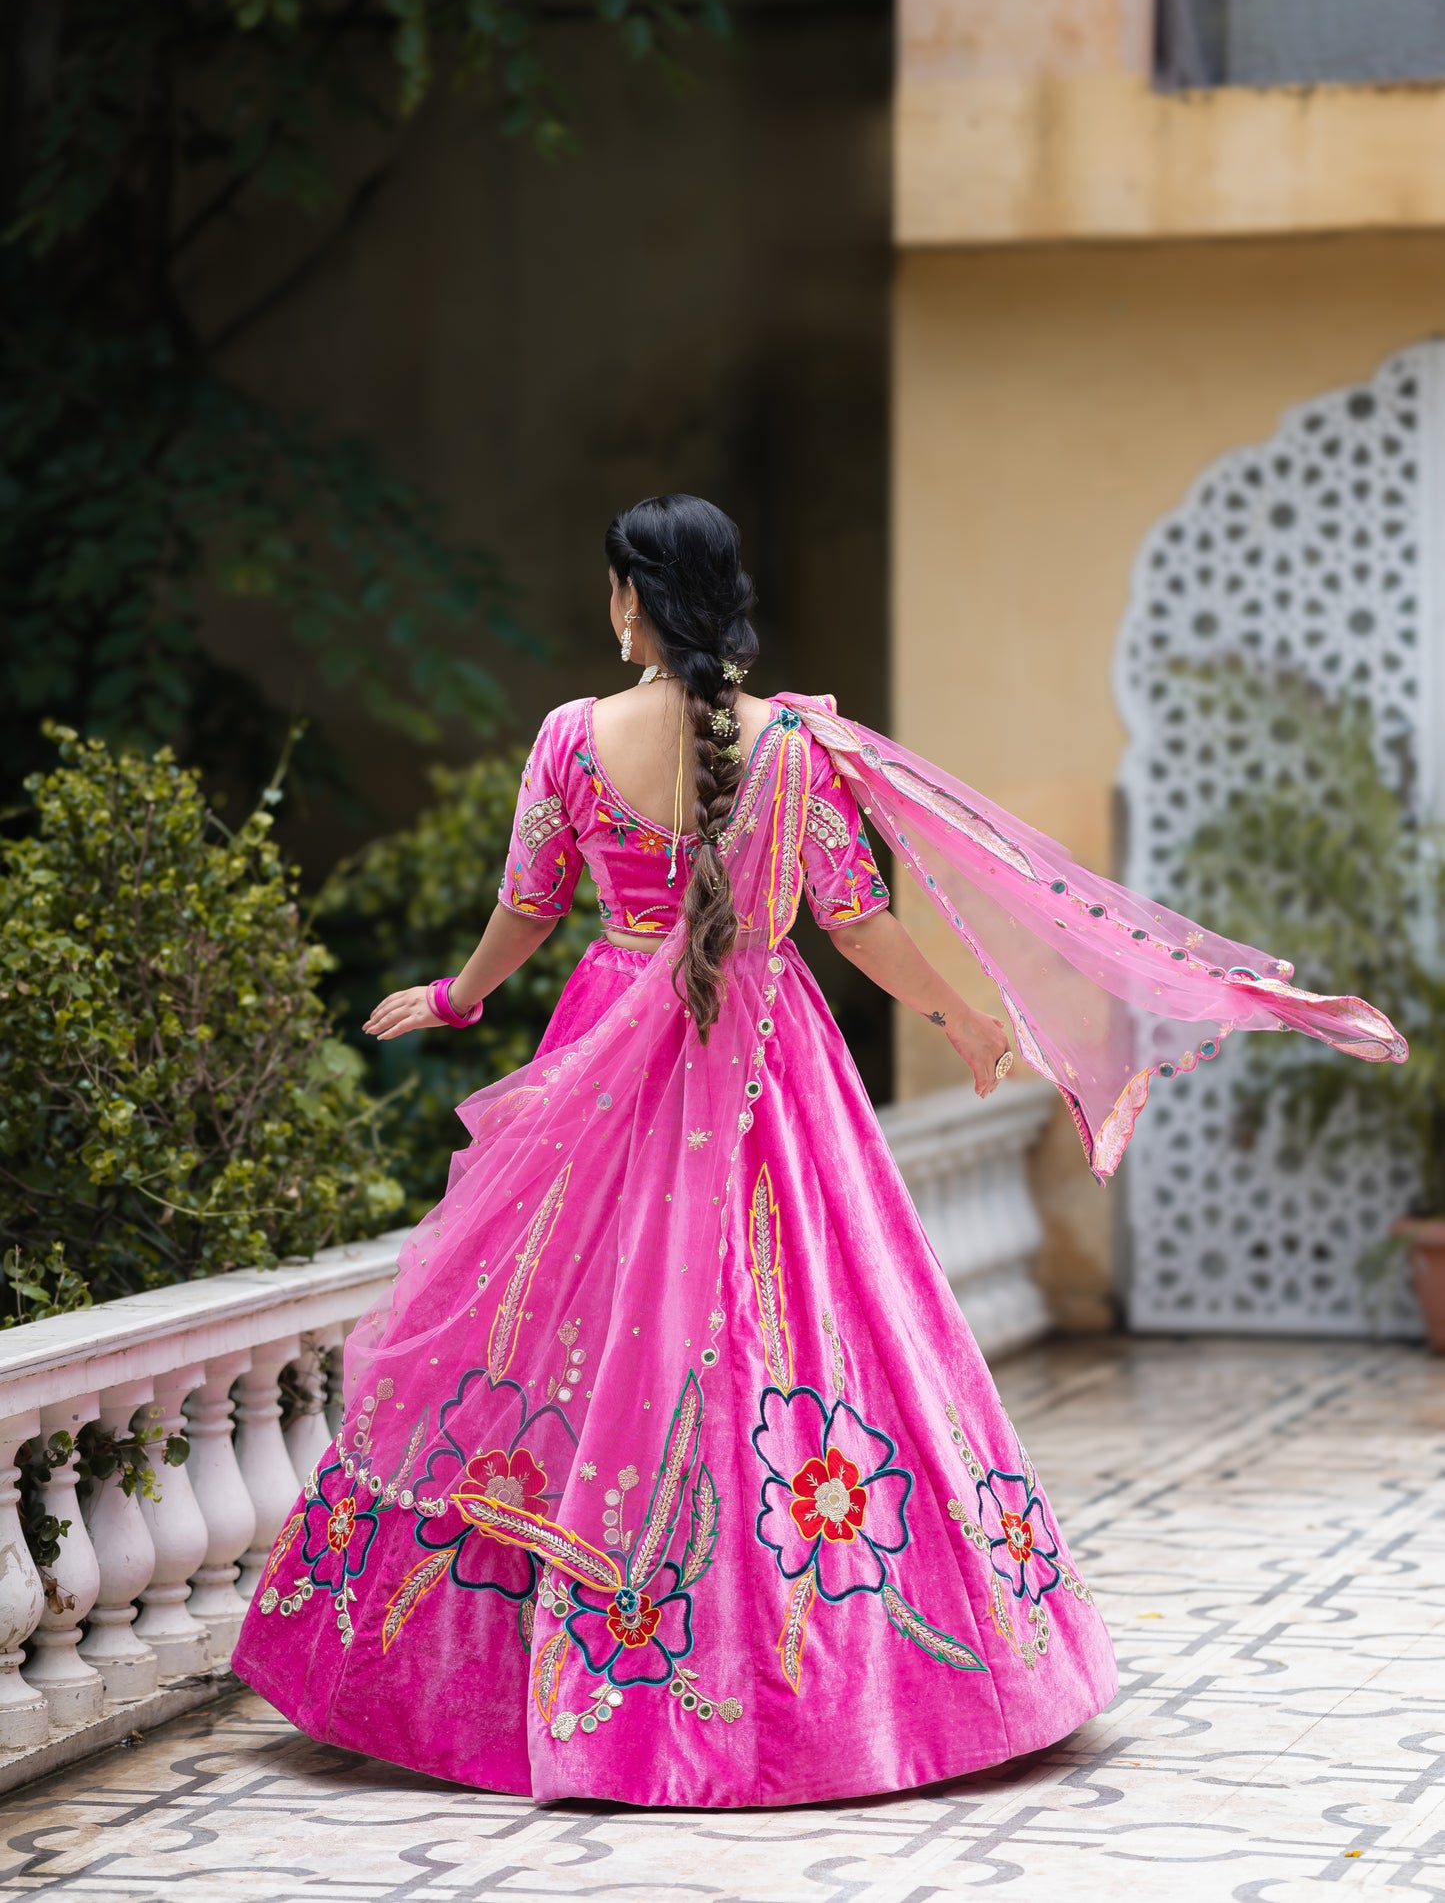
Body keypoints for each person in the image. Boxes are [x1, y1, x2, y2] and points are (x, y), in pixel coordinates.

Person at [232, 494, 1403, 1808]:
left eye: (614, 588)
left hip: (611, 1043)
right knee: (808, 1323)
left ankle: (518, 1672)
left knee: (576, 1325)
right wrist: (957, 1009)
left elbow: (527, 905)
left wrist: (455, 997)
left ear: (637, 597)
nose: (606, 608)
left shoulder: (572, 737)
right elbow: (852, 919)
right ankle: (837, 1670)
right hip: (764, 1063)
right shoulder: (792, 745)